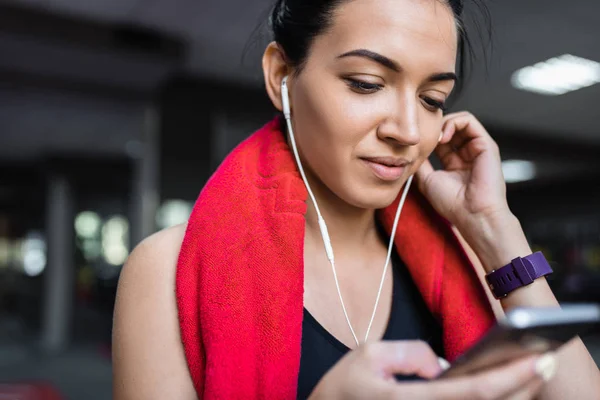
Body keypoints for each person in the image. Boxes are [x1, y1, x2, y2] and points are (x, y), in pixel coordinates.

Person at [112, 0, 600, 399]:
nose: (408, 131)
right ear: (282, 74)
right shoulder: (166, 269)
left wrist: (495, 227)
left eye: (432, 99)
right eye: (366, 83)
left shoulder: (474, 260)